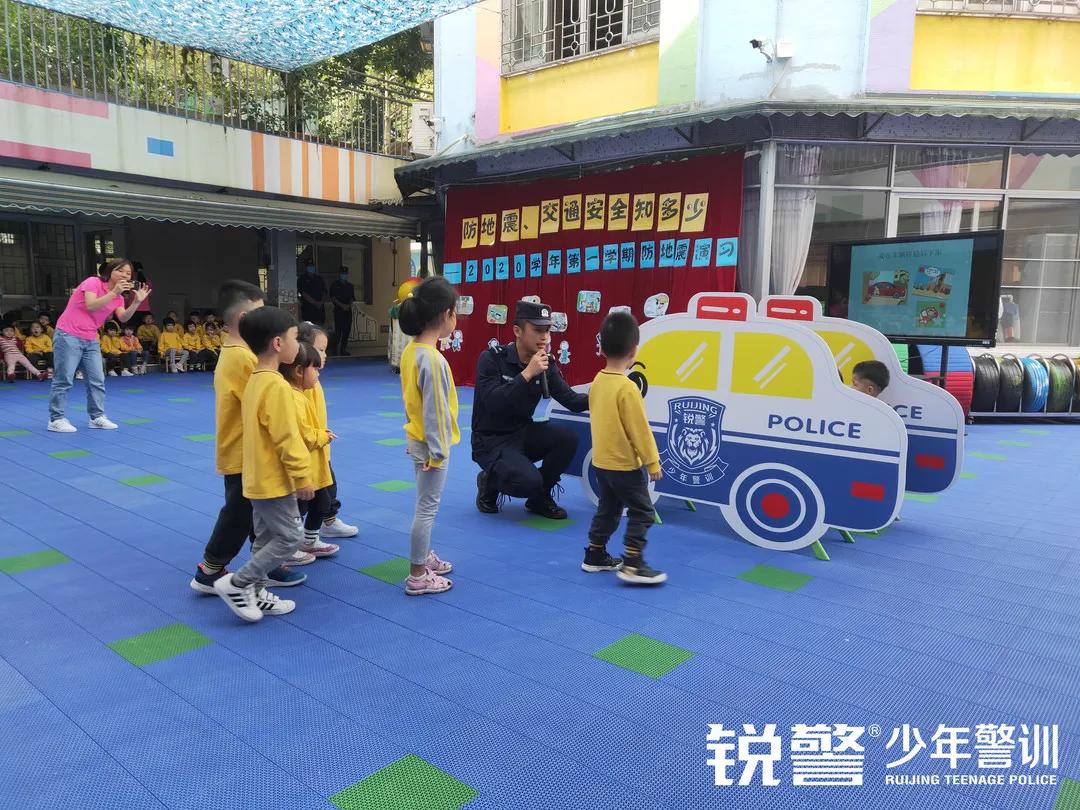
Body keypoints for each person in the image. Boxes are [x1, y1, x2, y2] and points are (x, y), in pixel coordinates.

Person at [191, 280, 307, 598]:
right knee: (240, 512)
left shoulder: (238, 354)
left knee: (256, 514)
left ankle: (266, 564)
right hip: (245, 450)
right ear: (245, 320)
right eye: (261, 312)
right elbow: (269, 411)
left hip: (246, 448)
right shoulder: (245, 360)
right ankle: (211, 569)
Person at [212, 306, 310, 622]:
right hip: (274, 480)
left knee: (266, 538)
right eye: (295, 338)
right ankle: (237, 583)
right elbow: (286, 437)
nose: (298, 345)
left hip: (256, 478)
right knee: (290, 538)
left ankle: (254, 591)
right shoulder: (277, 386)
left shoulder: (255, 379)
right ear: (278, 344)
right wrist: (302, 476)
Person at [472, 300, 589, 520]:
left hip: (521, 432)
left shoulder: (545, 363)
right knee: (529, 482)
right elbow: (493, 404)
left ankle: (539, 498)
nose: (544, 337)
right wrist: (526, 374)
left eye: (547, 330)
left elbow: (571, 401)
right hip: (490, 440)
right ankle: (489, 481)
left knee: (567, 438)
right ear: (517, 331)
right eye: (537, 330)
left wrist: (606, 393)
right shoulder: (492, 359)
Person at [584, 312, 666, 585]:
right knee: (642, 511)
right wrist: (652, 462)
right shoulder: (628, 388)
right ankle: (632, 562)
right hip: (624, 466)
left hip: (602, 463)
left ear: (601, 348)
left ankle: (595, 554)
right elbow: (639, 430)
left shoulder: (597, 381)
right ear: (634, 351)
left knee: (608, 509)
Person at [398, 277, 458, 595]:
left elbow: (412, 402)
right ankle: (418, 575)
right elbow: (435, 411)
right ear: (446, 314)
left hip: (418, 439)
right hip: (431, 447)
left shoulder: (412, 351)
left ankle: (424, 557)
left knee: (424, 504)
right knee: (426, 509)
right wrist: (437, 453)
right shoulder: (433, 360)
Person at [47, 258, 149, 433]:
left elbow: (123, 317)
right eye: (120, 271)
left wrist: (136, 302)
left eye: (128, 273)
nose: (125, 275)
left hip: (91, 338)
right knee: (64, 379)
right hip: (68, 334)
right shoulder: (93, 282)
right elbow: (91, 305)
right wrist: (114, 292)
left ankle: (96, 417)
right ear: (110, 271)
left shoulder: (118, 297)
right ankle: (56, 419)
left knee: (97, 379)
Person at [298, 321, 358, 539]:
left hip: (320, 446)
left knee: (328, 489)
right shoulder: (299, 385)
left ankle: (327, 523)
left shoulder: (312, 379)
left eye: (325, 350)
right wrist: (318, 437)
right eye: (320, 350)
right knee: (308, 499)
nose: (324, 356)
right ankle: (297, 538)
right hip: (308, 449)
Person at [281, 342, 340, 560]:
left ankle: (309, 540)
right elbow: (303, 435)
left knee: (322, 502)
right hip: (304, 469)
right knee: (298, 508)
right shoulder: (293, 397)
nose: (318, 373)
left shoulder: (302, 393)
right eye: (315, 369)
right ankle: (289, 548)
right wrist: (323, 436)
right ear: (299, 371)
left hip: (314, 466)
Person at [328, 266, 355, 356]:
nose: (344, 275)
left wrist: (348, 306)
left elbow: (352, 298)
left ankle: (343, 349)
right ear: (339, 274)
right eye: (342, 273)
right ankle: (335, 350)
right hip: (338, 311)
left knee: (346, 331)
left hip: (348, 311)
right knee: (338, 332)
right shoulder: (334, 285)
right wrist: (342, 305)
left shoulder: (350, 286)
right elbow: (333, 298)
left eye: (345, 273)